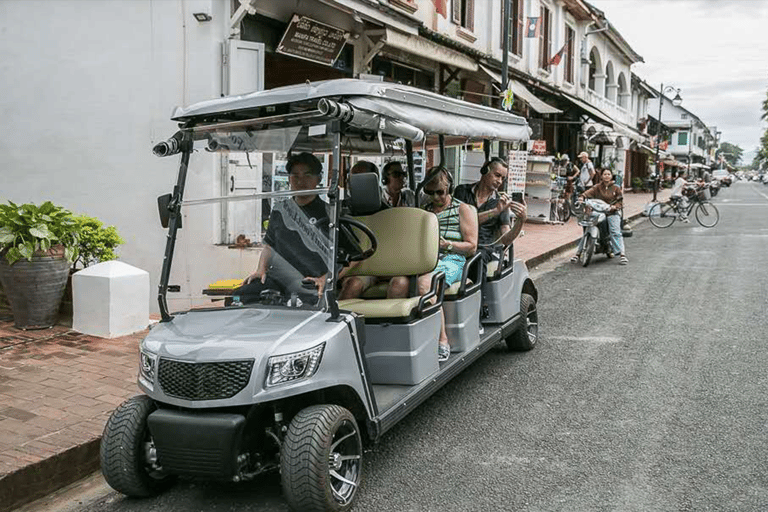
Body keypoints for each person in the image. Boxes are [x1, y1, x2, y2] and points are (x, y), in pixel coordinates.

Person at [388, 166, 478, 361]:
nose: (436, 197)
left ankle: (442, 339)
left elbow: (471, 247)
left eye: (440, 192)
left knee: (425, 284)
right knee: (398, 283)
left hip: (451, 258)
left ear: (449, 188)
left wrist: (447, 245)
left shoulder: (462, 208)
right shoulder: (424, 212)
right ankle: (398, 340)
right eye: (430, 192)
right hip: (423, 260)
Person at [235, 152, 330, 304]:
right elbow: (269, 246)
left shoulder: (328, 212)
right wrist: (261, 270)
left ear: (318, 179)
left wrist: (325, 278)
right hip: (278, 278)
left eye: (307, 175)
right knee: (241, 296)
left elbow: (346, 257)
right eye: (295, 176)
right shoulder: (280, 210)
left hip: (309, 281)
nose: (301, 181)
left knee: (304, 302)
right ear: (289, 179)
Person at [453, 157, 526, 264]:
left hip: (482, 250)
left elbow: (506, 239)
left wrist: (521, 221)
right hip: (458, 244)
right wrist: (494, 212)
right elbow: (458, 221)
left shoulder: (501, 203)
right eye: (497, 175)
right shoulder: (462, 191)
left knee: (477, 261)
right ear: (485, 170)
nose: (499, 181)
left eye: (503, 178)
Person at [570, 168, 628, 265]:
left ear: (611, 176)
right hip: (599, 212)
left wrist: (615, 207)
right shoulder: (597, 187)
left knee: (615, 231)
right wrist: (582, 197)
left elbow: (620, 201)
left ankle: (621, 254)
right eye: (605, 174)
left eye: (609, 174)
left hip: (612, 212)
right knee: (587, 227)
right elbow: (588, 193)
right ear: (601, 176)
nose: (606, 176)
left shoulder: (616, 188)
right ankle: (578, 254)